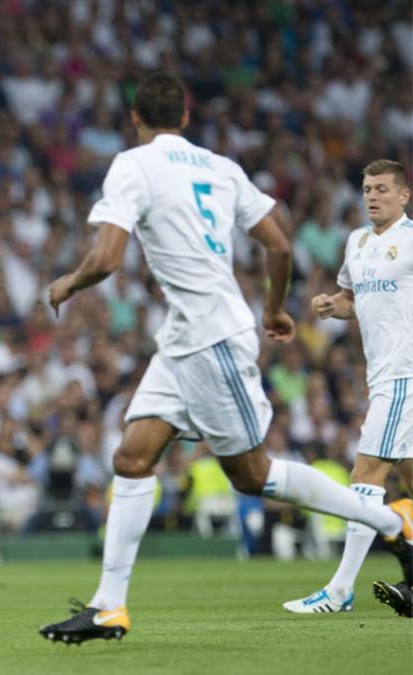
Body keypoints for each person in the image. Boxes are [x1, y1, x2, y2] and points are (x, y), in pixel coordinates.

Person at [38, 73, 413, 644]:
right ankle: (108, 607)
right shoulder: (219, 167)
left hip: (212, 336)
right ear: (185, 118)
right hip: (183, 337)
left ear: (136, 119)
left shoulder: (132, 165)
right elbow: (279, 244)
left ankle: (394, 523)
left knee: (254, 476)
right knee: (132, 458)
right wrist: (274, 309)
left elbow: (108, 257)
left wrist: (70, 280)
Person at [284, 159, 413, 618]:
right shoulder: (356, 242)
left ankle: (339, 590)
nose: (372, 196)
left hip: (404, 376)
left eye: (382, 189)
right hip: (381, 375)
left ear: (404, 196)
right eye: (366, 189)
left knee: (365, 478)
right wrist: (330, 305)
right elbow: (352, 300)